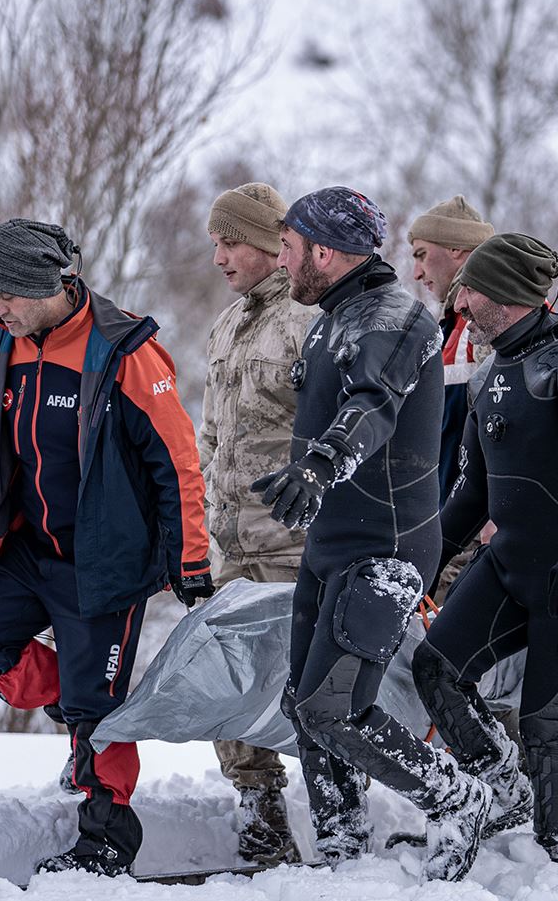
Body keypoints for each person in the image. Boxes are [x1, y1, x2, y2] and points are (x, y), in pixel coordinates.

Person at [0, 220, 211, 877]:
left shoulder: (121, 350)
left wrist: (189, 555)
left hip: (102, 560)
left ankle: (107, 836)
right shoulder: (5, 341)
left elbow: (176, 459)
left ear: (41, 287)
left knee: (95, 702)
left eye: (2, 295)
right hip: (32, 549)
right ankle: (87, 706)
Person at [251, 186, 489, 882]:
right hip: (333, 544)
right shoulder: (332, 319)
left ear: (324, 250)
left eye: (289, 248)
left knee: (335, 707)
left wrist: (322, 462)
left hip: (383, 546)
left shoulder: (392, 318)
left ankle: (455, 794)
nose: (282, 260)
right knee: (307, 702)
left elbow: (373, 404)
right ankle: (342, 844)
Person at [411, 234, 558, 877]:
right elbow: (471, 490)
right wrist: (426, 559)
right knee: (436, 668)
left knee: (547, 724)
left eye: (471, 289)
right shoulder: (490, 372)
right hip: (511, 564)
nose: (459, 298)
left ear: (508, 296)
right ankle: (502, 787)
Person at [198, 182, 313, 865]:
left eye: (230, 240)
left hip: (297, 546)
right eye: (215, 241)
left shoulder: (309, 322)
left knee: (313, 688)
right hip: (235, 543)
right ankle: (259, 809)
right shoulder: (226, 323)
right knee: (233, 679)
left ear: (272, 245)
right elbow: (213, 434)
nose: (219, 255)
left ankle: (341, 806)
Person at [407, 195, 495, 500]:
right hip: (452, 521)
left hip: (481, 530)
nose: (416, 273)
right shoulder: (452, 324)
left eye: (421, 255)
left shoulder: (493, 312)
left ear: (456, 249)